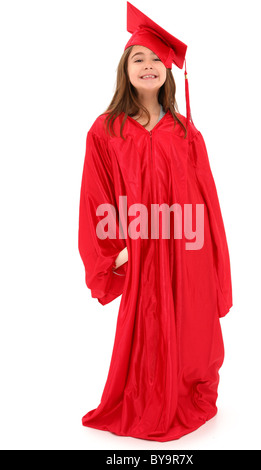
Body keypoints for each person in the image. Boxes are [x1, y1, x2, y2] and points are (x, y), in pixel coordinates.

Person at [78, 2, 233, 442]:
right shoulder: (105, 131)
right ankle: (146, 399)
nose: (147, 66)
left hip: (187, 248)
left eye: (155, 59)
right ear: (124, 70)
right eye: (137, 58)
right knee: (145, 324)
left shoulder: (186, 133)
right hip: (141, 250)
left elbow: (208, 202)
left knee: (190, 324)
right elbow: (95, 197)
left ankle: (183, 392)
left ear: (168, 69)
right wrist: (116, 249)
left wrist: (214, 260)